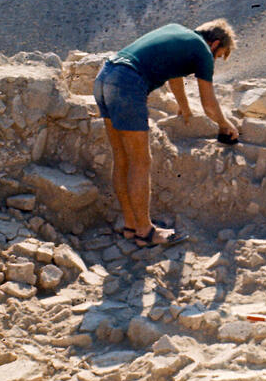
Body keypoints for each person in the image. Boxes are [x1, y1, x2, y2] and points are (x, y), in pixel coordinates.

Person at [93, 20, 239, 246]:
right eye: (219, 55)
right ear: (215, 44)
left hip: (106, 75)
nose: (215, 60)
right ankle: (146, 232)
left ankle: (131, 226)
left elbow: (175, 76)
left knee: (122, 158)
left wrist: (184, 107)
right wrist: (224, 124)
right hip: (127, 83)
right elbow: (209, 103)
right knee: (141, 162)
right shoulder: (202, 51)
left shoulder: (178, 33)